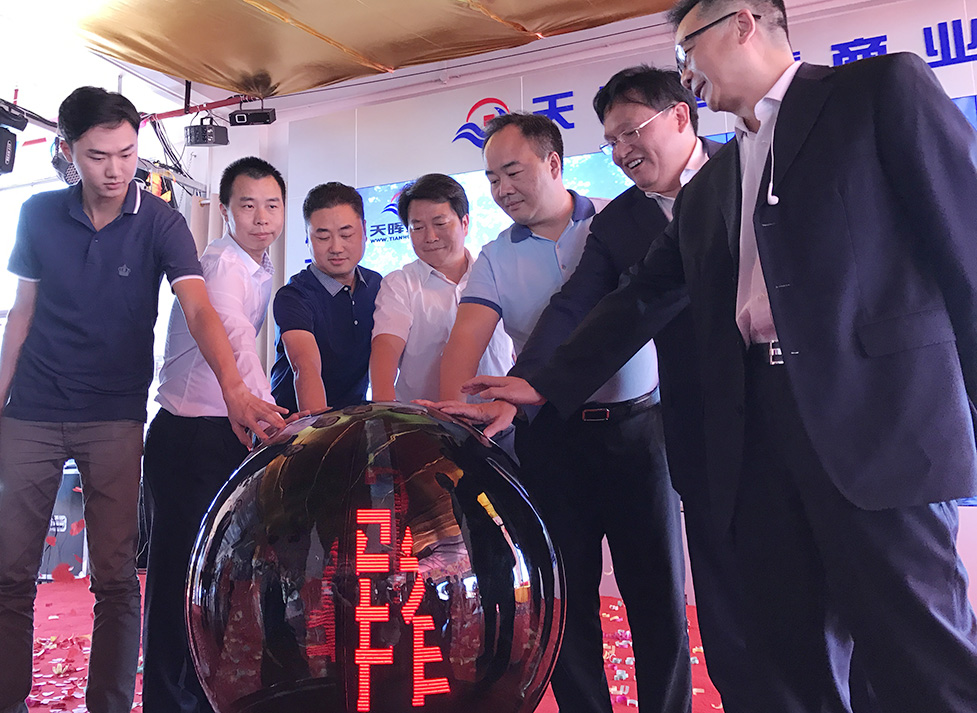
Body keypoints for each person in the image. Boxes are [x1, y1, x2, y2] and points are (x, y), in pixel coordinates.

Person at [454, 2, 977, 712]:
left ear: (742, 23)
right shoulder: (713, 186)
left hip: (875, 423)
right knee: (787, 651)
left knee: (917, 649)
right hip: (756, 434)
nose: (685, 71)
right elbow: (638, 298)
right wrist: (539, 383)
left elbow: (963, 244)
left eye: (686, 50)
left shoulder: (875, 93)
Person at [432, 65, 756, 712]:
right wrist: (505, 394)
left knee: (663, 597)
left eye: (512, 171)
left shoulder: (719, 178)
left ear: (553, 163)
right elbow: (577, 310)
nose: (501, 188)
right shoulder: (602, 230)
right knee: (567, 599)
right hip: (556, 438)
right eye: (491, 178)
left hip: (650, 431)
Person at [0, 86, 286, 713]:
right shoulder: (39, 214)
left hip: (115, 415)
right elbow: (21, 314)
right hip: (32, 410)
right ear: (67, 152)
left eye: (128, 154)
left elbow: (200, 308)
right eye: (98, 156)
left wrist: (237, 391)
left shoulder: (161, 221)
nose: (116, 170)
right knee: (11, 577)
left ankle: (109, 705)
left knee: (116, 580)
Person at [142, 156, 287, 713]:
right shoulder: (224, 265)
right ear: (225, 210)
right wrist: (268, 414)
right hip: (191, 435)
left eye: (271, 205)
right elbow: (233, 341)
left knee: (213, 576)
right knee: (181, 580)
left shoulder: (257, 266)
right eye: (247, 206)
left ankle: (197, 696)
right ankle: (169, 700)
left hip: (221, 432)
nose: (261, 217)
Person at [369, 173, 512, 403]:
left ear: (464, 223)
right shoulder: (400, 283)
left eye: (440, 224)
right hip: (427, 420)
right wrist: (385, 407)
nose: (430, 237)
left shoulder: (497, 273)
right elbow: (386, 346)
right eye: (417, 227)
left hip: (499, 415)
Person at [270, 182, 381, 413]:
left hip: (353, 420)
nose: (336, 247)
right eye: (323, 237)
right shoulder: (294, 296)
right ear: (307, 237)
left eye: (346, 234)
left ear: (364, 230)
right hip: (299, 423)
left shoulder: (377, 285)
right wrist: (319, 429)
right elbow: (305, 367)